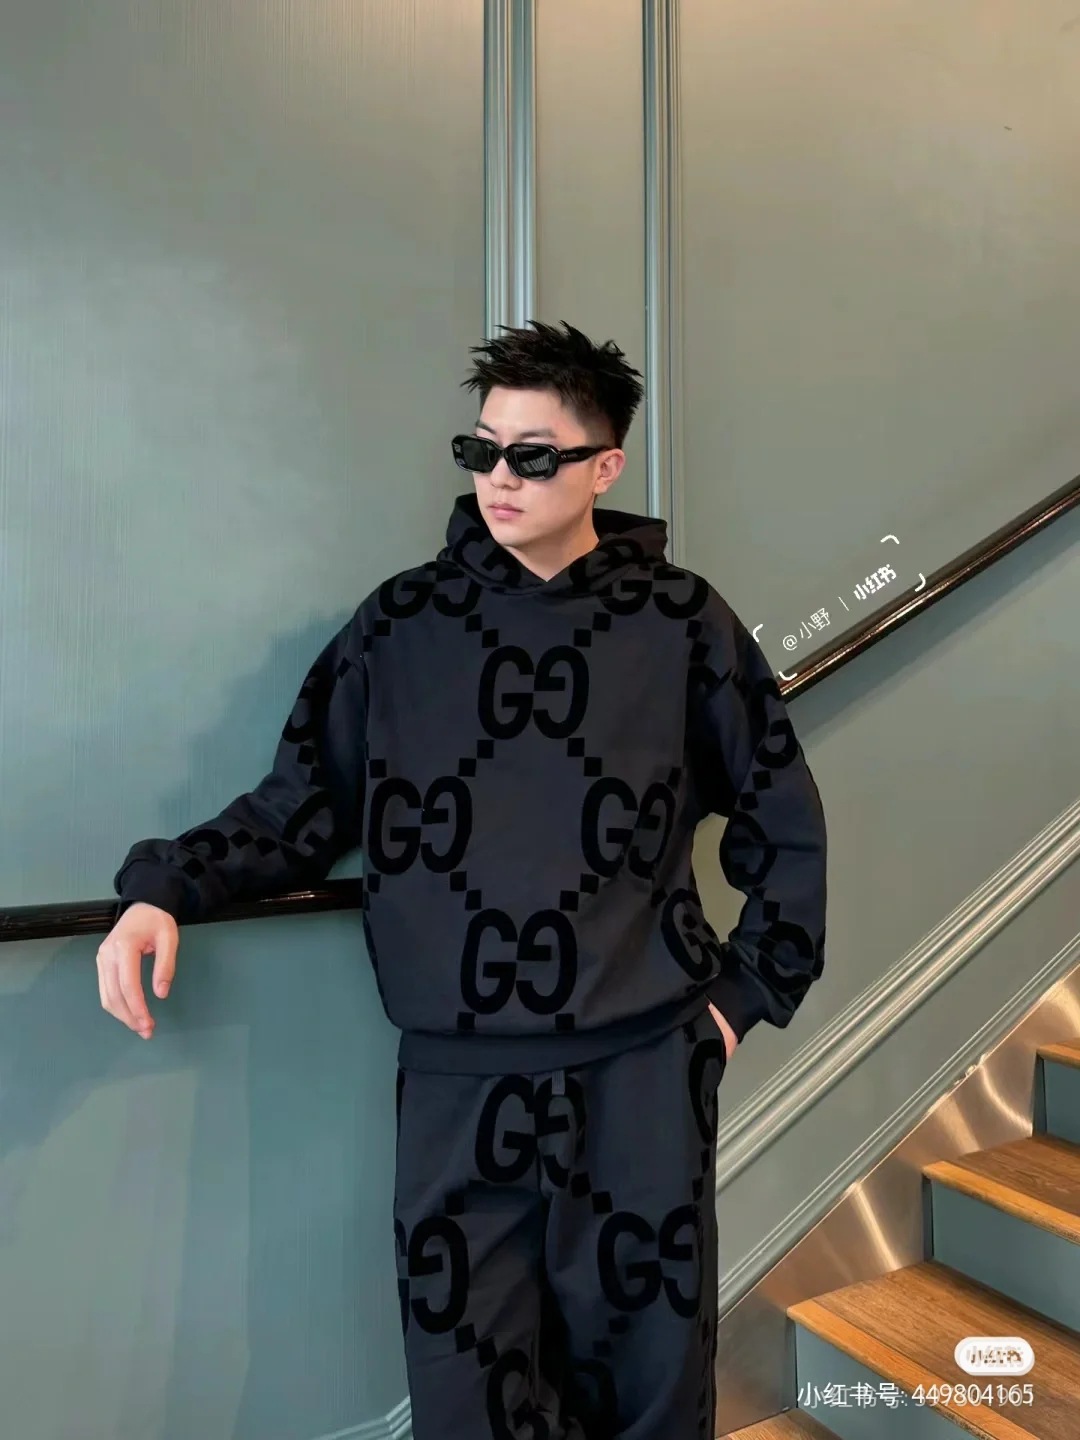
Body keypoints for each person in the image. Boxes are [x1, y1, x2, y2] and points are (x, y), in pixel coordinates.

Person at [98, 320, 827, 1440]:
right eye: (481, 449)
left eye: (532, 455)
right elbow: (298, 805)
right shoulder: (399, 626)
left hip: (639, 1072)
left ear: (604, 467)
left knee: (651, 1390)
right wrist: (162, 888)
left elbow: (783, 819)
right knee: (466, 1397)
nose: (500, 478)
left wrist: (737, 1002)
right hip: (456, 1080)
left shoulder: (685, 624)